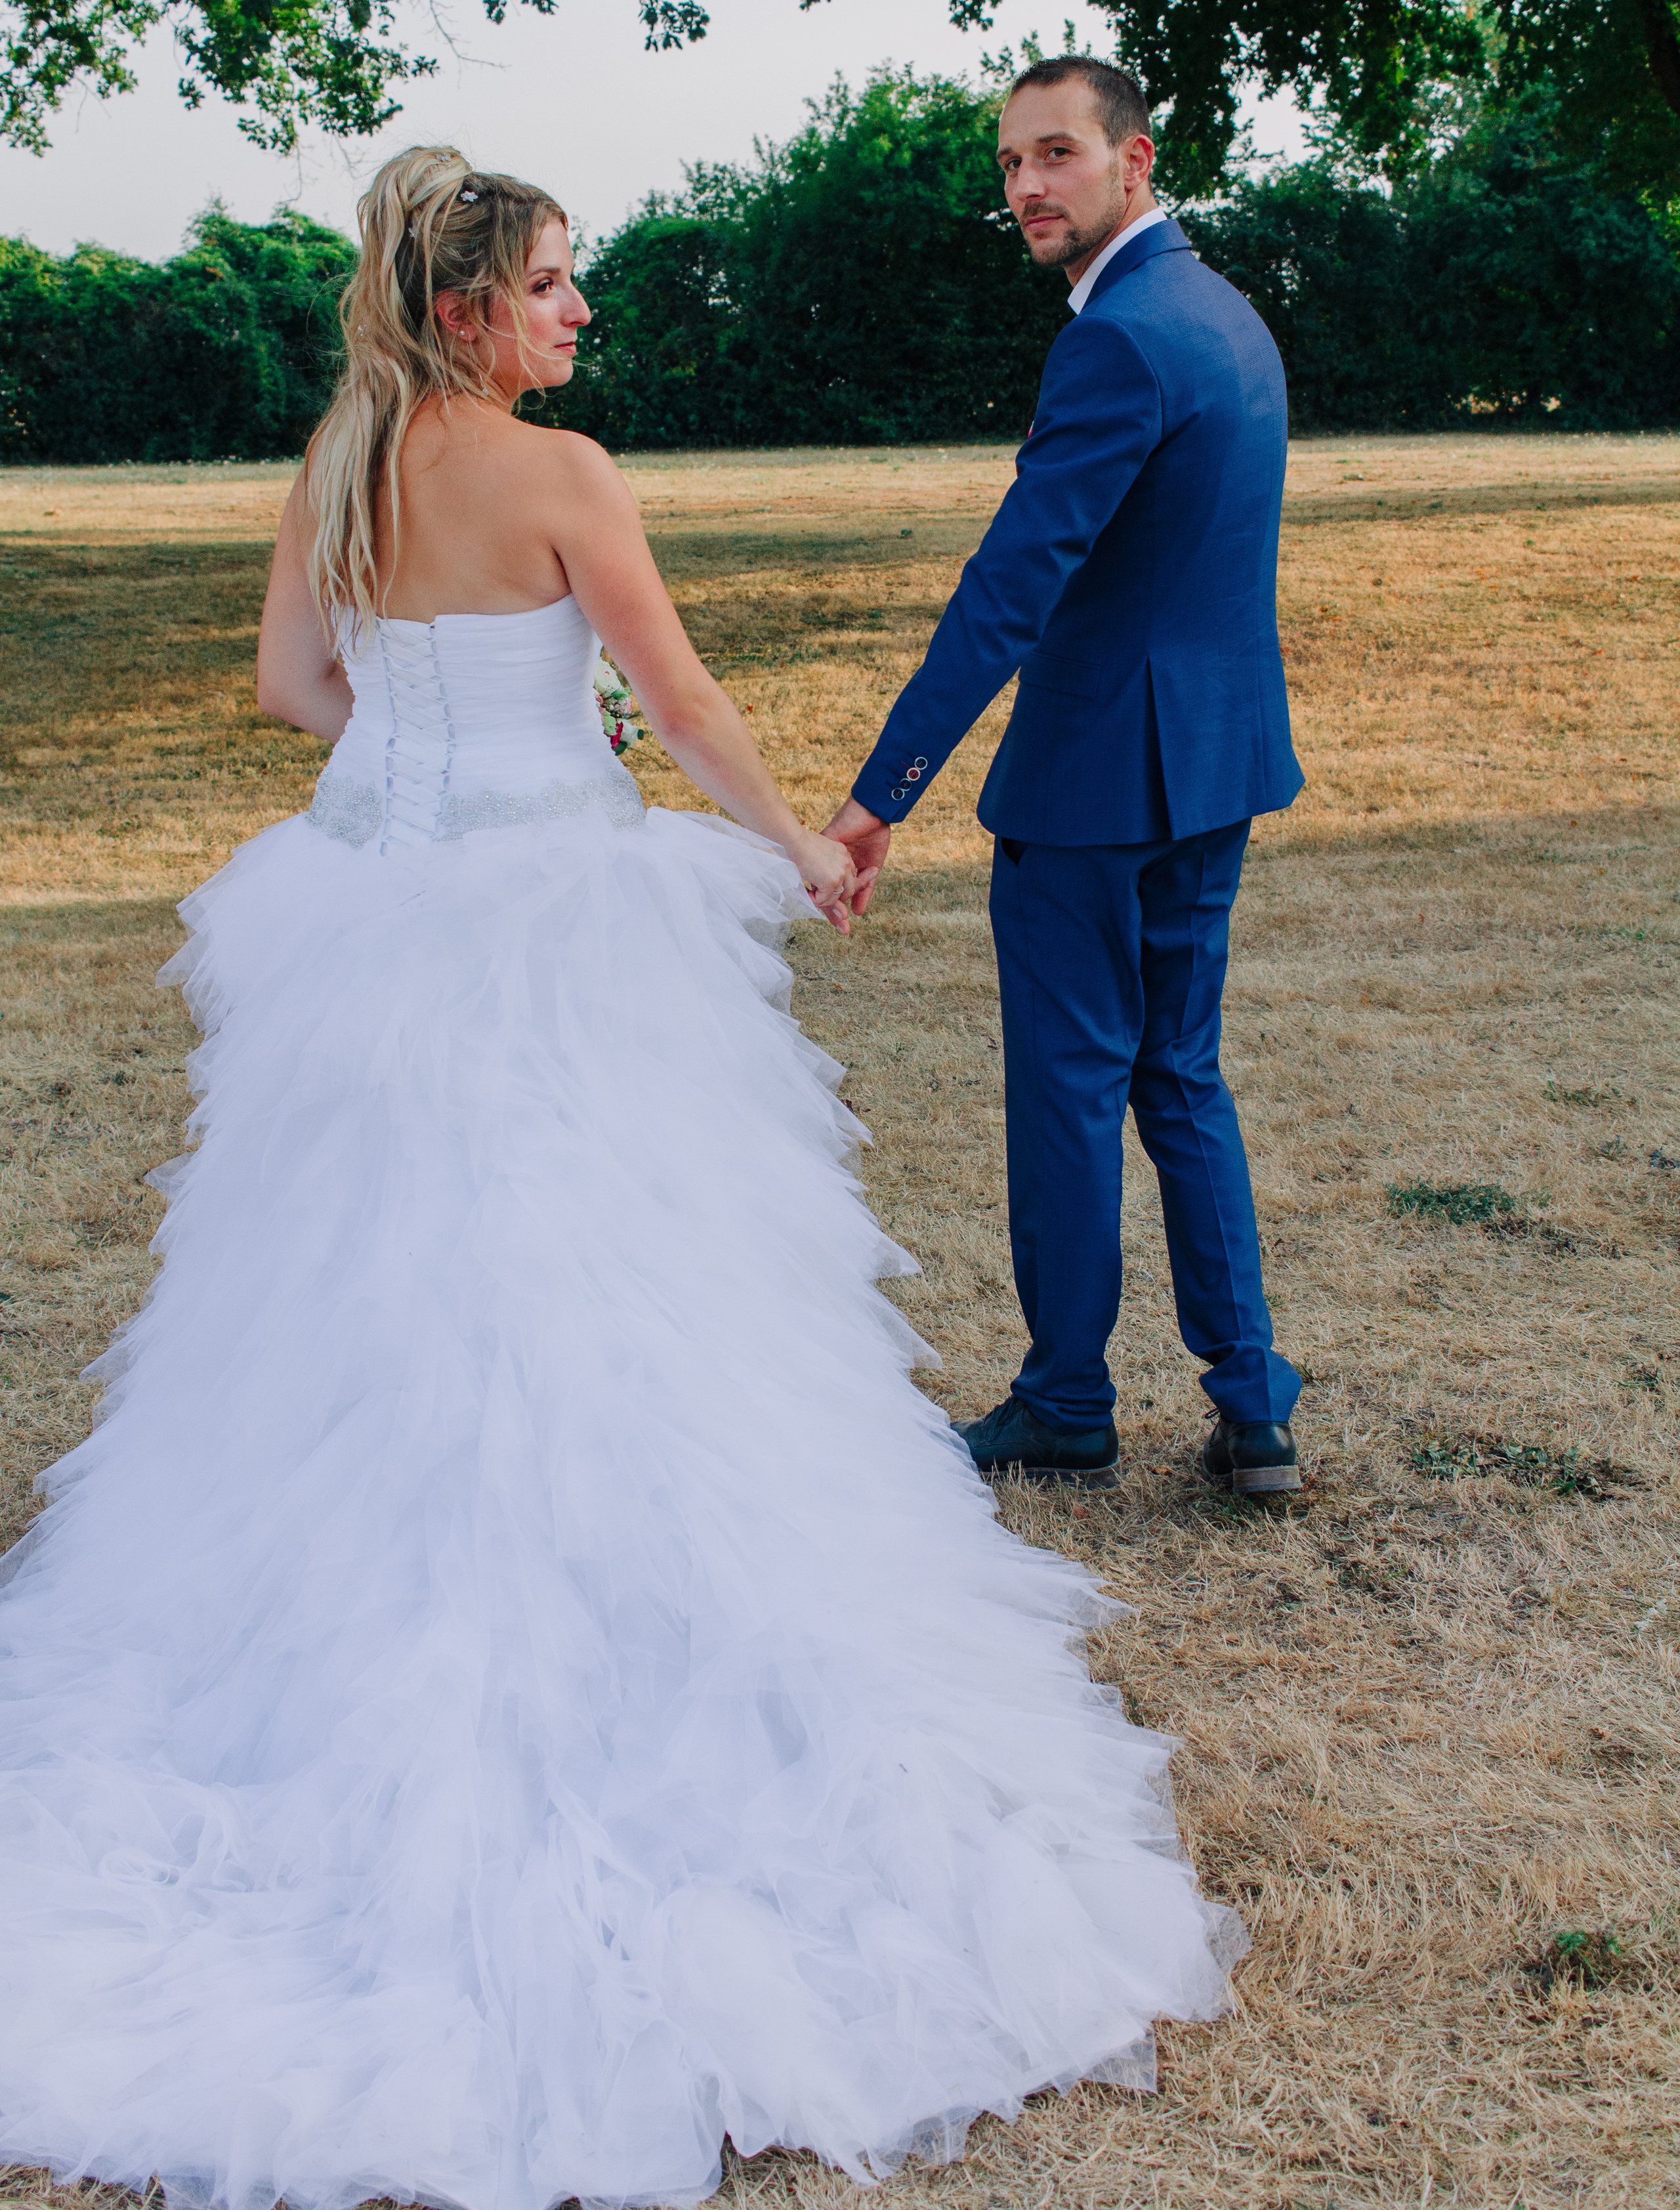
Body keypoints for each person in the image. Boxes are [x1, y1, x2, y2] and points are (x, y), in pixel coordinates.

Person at [0, 145, 1243, 2210]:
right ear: (476, 309)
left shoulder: (333, 470)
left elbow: (293, 694)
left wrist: (432, 717)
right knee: (629, 1284)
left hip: (366, 917)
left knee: (351, 1288)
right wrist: (796, 847)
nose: (585, 312)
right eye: (561, 284)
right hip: (557, 919)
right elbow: (672, 700)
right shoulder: (564, 474)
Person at [826, 58, 1305, 1498]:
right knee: (1181, 1076)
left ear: (1132, 160)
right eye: (1010, 166)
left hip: (1097, 785)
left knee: (1069, 1094)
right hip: (1211, 767)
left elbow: (1008, 587)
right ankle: (1252, 1405)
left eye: (1054, 156)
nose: (1026, 187)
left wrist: (879, 792)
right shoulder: (1225, 316)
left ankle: (1064, 1402)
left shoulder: (1118, 338)